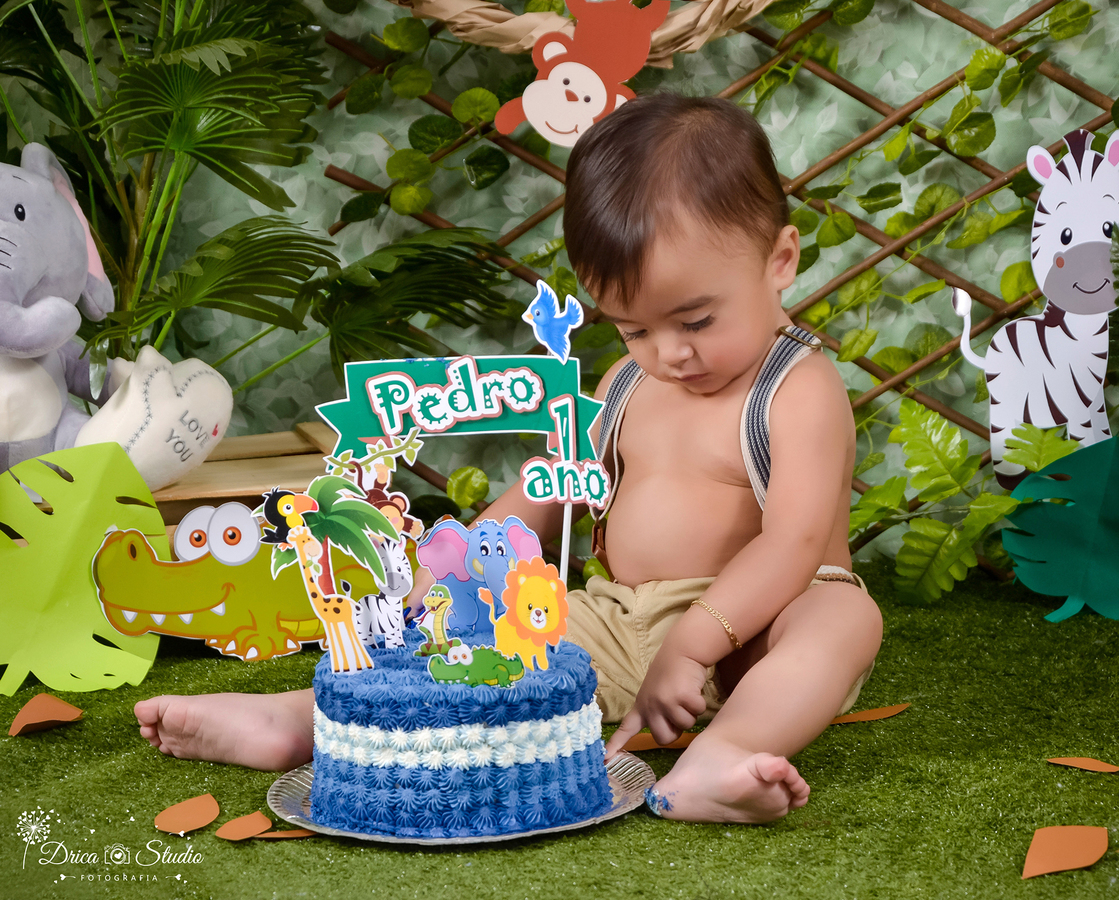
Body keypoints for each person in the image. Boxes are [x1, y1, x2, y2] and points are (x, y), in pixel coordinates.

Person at [134, 93, 883, 825]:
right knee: (486, 640)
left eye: (695, 320)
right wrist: (443, 567)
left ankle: (727, 752)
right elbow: (551, 486)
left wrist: (696, 641)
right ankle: (301, 724)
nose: (669, 354)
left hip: (755, 631)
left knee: (843, 617)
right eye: (632, 330)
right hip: (617, 622)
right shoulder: (630, 383)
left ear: (780, 259)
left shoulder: (798, 389)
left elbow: (792, 544)